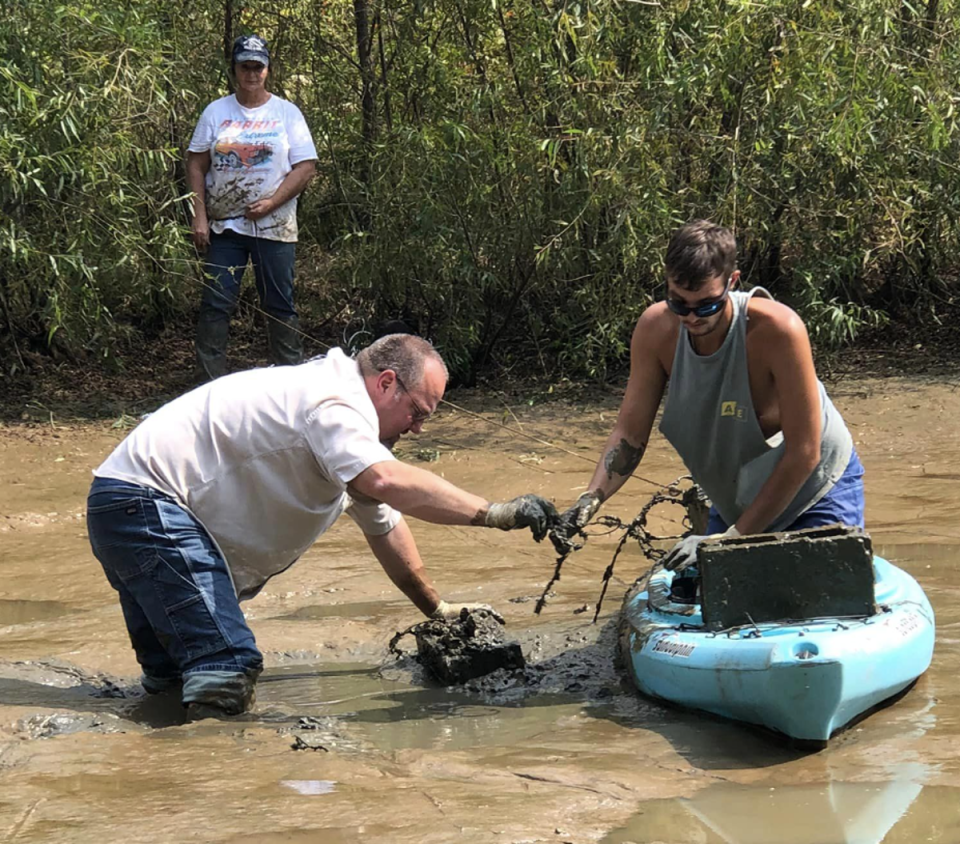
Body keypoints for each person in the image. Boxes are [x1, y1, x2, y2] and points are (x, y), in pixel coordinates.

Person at [86, 334, 558, 719]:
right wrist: (495, 512)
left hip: (127, 509)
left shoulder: (342, 423)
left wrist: (437, 608)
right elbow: (387, 480)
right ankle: (218, 789)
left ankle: (158, 771)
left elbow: (385, 528)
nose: (416, 429)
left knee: (174, 677)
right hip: (147, 506)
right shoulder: (336, 403)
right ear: (387, 383)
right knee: (226, 666)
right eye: (417, 412)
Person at [554, 220, 864, 572]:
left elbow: (806, 452)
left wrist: (732, 538)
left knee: (821, 601)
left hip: (815, 489)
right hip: (738, 496)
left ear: (732, 282)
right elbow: (630, 435)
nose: (691, 317)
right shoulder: (655, 330)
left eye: (706, 305)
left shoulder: (778, 329)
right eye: (679, 303)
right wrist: (590, 499)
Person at [186, 34, 317, 380]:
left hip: (275, 227)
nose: (251, 73)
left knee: (279, 305)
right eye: (245, 66)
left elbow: (306, 167)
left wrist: (273, 202)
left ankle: (292, 387)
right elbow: (196, 163)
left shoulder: (287, 114)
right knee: (216, 304)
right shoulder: (216, 112)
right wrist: (199, 215)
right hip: (224, 228)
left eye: (257, 66)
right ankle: (207, 388)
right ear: (234, 70)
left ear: (267, 70)